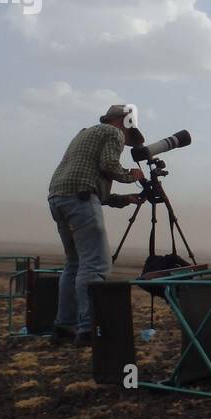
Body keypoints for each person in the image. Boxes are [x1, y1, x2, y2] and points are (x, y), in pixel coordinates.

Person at [47, 105, 144, 343]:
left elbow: (89, 184)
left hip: (59, 197)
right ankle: (89, 328)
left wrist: (124, 199)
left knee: (74, 264)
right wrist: (133, 176)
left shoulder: (84, 133)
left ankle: (64, 325)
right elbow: (109, 165)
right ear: (124, 121)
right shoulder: (114, 133)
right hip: (80, 199)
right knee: (95, 265)